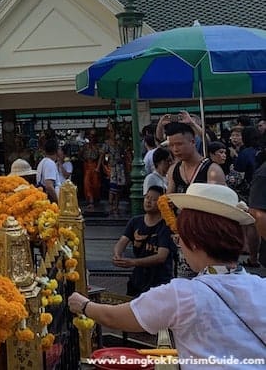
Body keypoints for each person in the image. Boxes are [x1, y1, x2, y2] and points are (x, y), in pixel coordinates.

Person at [69, 183, 266, 364]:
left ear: (195, 241)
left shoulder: (183, 295)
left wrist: (84, 305)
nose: (179, 246)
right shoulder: (261, 286)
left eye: (180, 239)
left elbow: (114, 318)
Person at [113, 185, 174, 296]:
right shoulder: (135, 221)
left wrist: (133, 262)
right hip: (138, 278)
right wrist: (117, 255)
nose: (148, 201)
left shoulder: (166, 226)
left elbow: (161, 257)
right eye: (147, 198)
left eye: (154, 199)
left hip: (159, 280)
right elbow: (122, 241)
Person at [165, 122, 225, 195]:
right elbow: (168, 199)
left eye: (179, 144)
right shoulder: (173, 170)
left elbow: (218, 202)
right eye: (171, 145)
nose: (175, 149)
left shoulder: (213, 170)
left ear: (193, 142)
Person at [79, 130, 101, 209]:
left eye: (93, 136)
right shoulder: (85, 146)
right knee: (87, 183)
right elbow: (80, 155)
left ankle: (95, 198)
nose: (92, 138)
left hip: (94, 164)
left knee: (95, 183)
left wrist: (98, 166)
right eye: (90, 136)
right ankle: (90, 200)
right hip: (87, 165)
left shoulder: (98, 147)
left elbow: (101, 157)